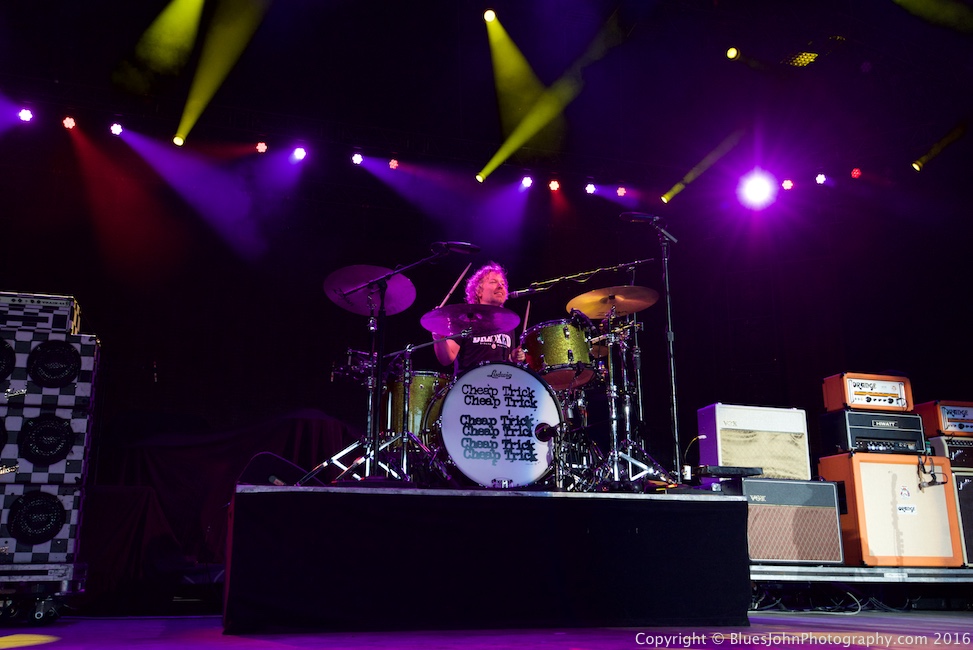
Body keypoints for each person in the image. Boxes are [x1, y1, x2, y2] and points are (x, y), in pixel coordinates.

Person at [433, 262, 526, 375]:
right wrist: (437, 334)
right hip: (469, 388)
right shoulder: (465, 319)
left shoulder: (508, 323)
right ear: (479, 291)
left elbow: (506, 362)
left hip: (500, 387)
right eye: (493, 282)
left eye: (503, 283)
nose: (500, 286)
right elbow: (446, 359)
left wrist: (514, 357)